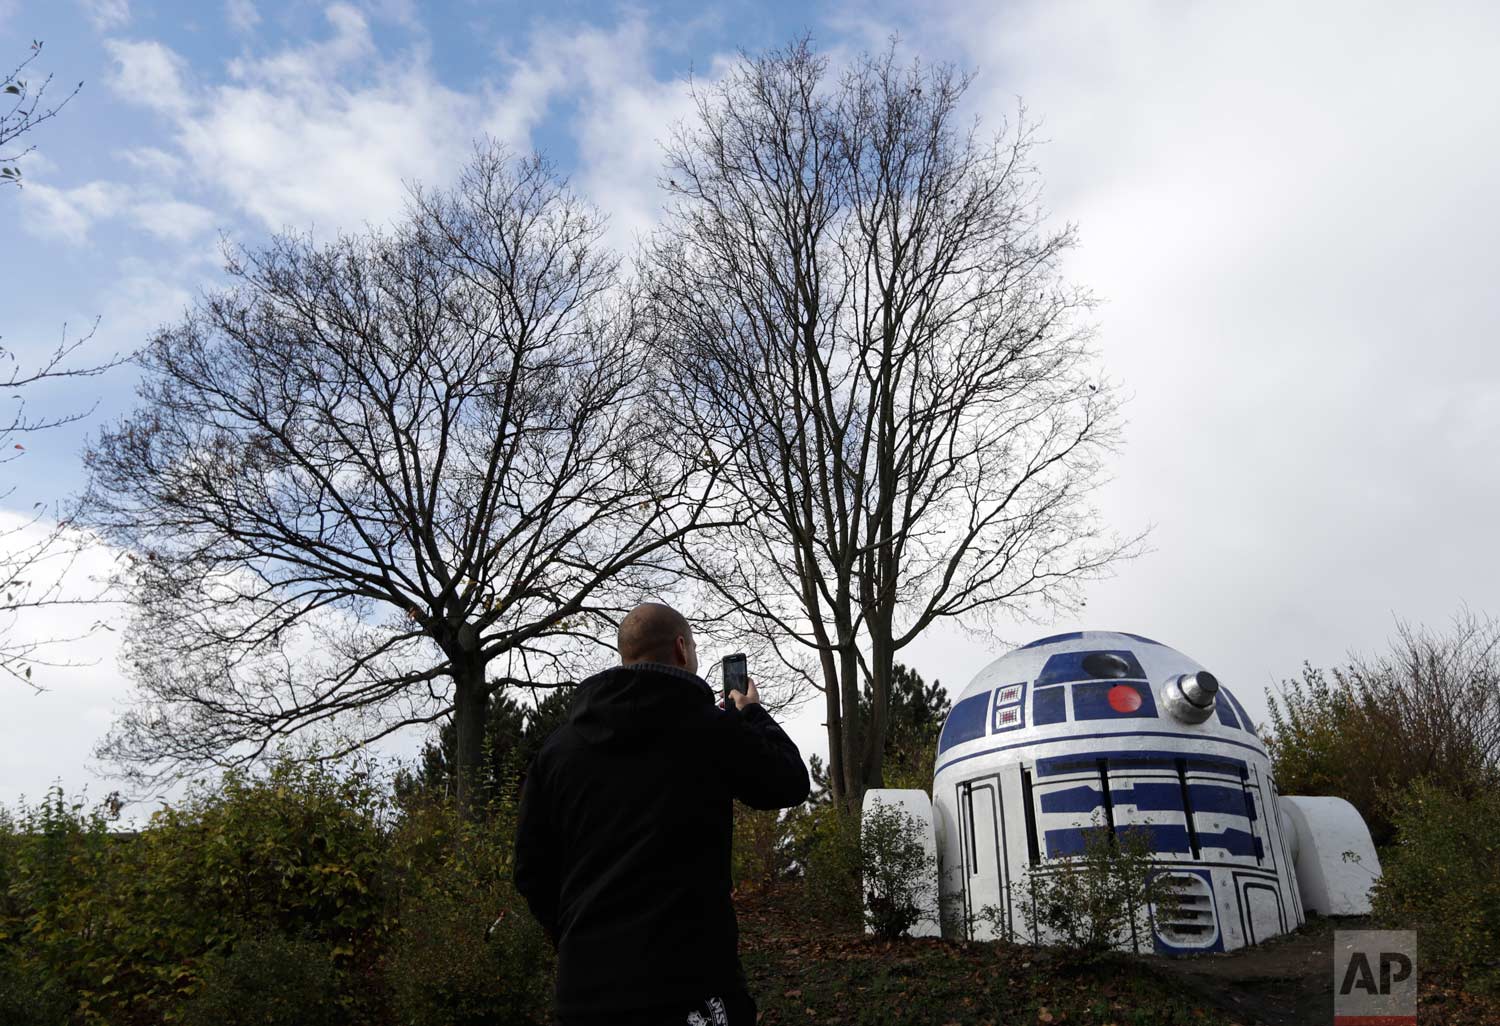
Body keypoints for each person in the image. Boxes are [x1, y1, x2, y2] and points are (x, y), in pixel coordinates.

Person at [513, 602, 811, 1026]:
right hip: (693, 991)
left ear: (625, 654)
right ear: (681, 649)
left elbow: (529, 869)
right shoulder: (712, 730)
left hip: (586, 994)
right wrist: (749, 713)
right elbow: (790, 781)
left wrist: (574, 937)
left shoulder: (558, 750)